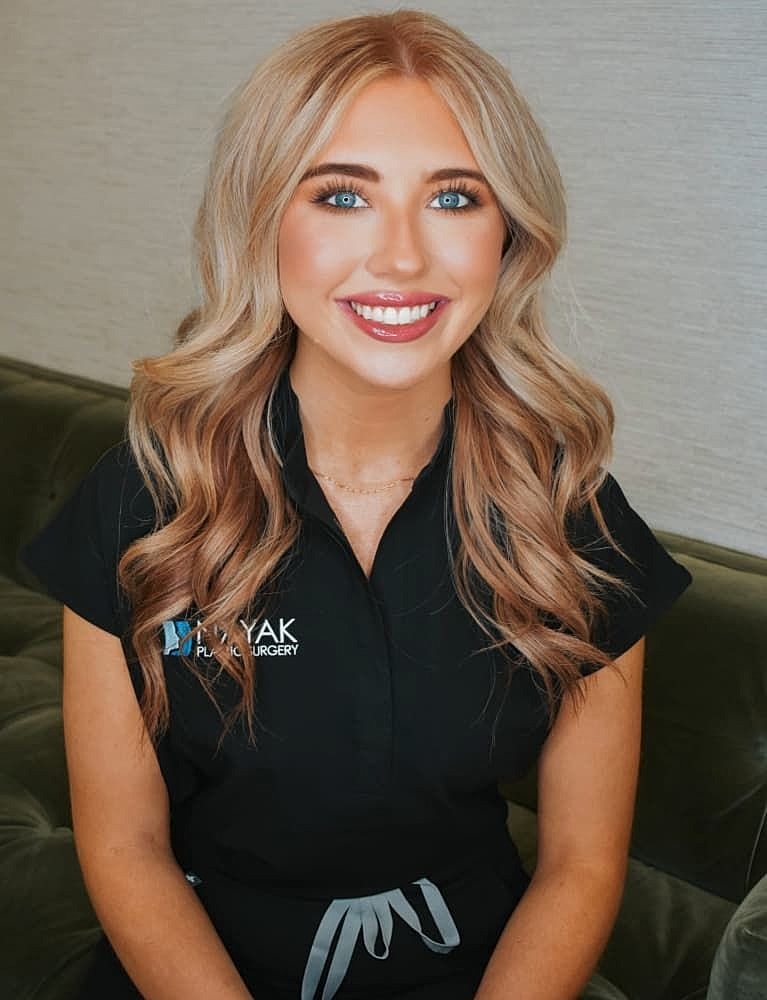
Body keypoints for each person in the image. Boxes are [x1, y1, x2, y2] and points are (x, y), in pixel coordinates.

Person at [23, 9, 692, 1000]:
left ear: (507, 233)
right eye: (341, 194)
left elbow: (580, 865)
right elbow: (125, 849)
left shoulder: (570, 515)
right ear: (261, 219)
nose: (402, 258)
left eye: (453, 197)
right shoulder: (146, 499)